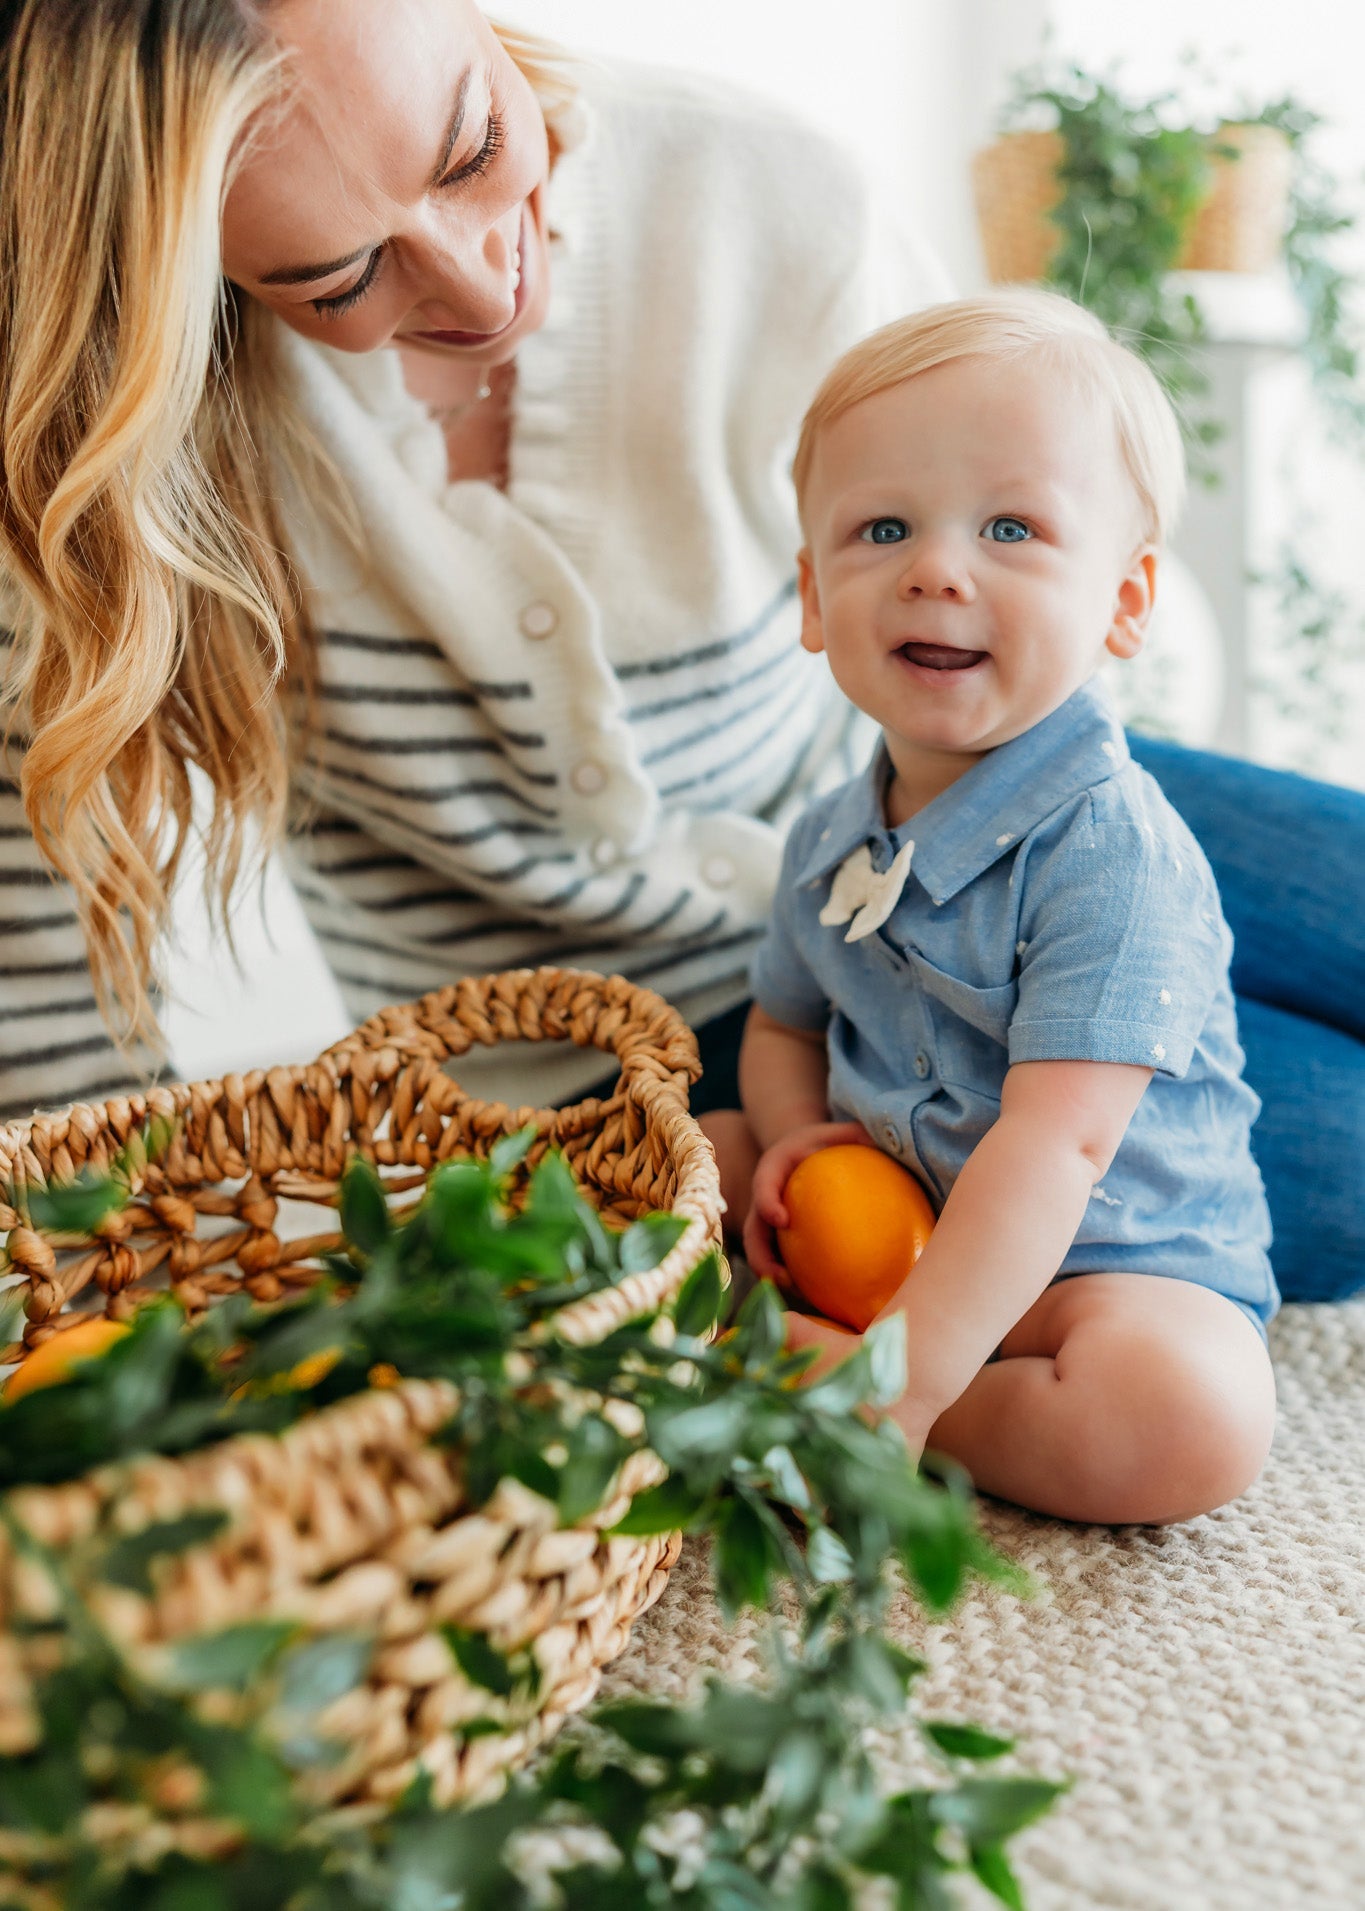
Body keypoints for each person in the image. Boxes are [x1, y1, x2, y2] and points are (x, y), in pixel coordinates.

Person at [0, 0, 947, 1125]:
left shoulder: (785, 203)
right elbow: (36, 946)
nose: (481, 287)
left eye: (476, 147)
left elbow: (1026, 610)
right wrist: (92, 1242)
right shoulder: (116, 425)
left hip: (906, 920)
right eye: (341, 282)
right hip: (551, 1087)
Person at [739, 290, 1280, 1526]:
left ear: (1125, 604)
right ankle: (850, 1342)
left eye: (1010, 527)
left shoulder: (1113, 852)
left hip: (1104, 1262)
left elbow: (1061, 1145)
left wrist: (904, 1385)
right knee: (700, 1149)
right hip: (897, 1220)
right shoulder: (829, 838)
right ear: (816, 600)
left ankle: (899, 1397)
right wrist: (792, 1137)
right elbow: (781, 1025)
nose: (936, 570)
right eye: (882, 528)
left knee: (1189, 1417)